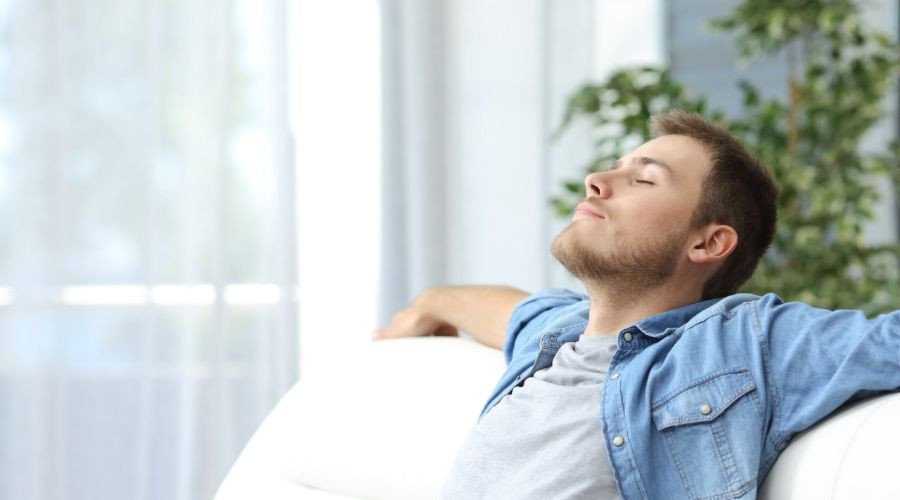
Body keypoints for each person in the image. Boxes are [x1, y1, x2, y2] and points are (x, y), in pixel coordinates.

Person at [371, 109, 900, 500]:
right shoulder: (556, 334)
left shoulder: (743, 340)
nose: (596, 182)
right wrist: (430, 302)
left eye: (643, 179)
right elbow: (506, 309)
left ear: (709, 244)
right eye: (615, 168)